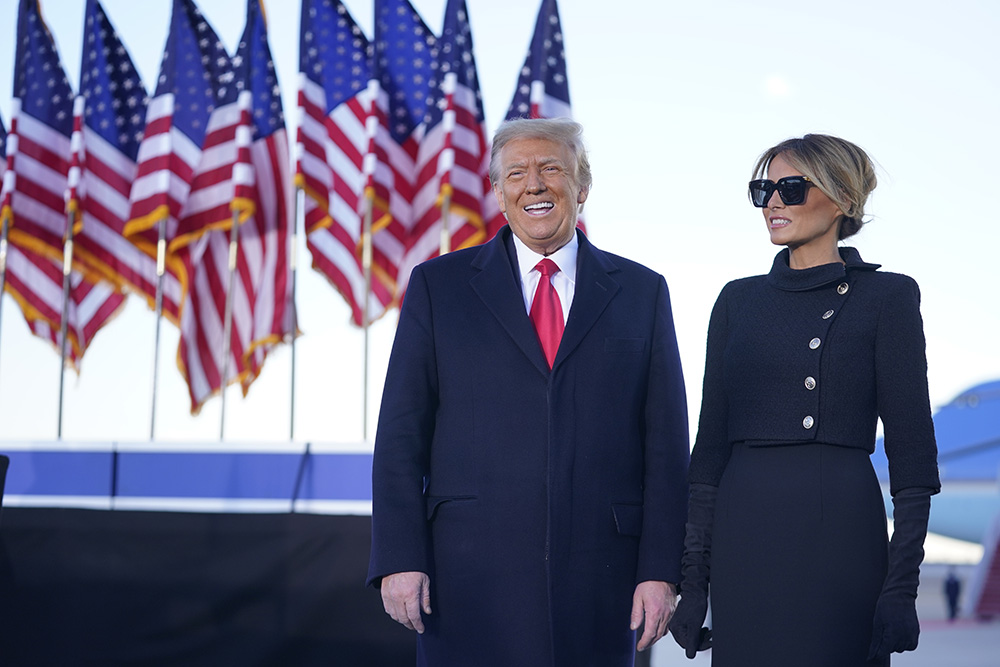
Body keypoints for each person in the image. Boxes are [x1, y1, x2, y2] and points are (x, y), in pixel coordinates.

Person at [367, 117, 691, 666]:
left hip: (600, 581)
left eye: (551, 169)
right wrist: (398, 556)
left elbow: (665, 445)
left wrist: (660, 569)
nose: (533, 185)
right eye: (516, 173)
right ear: (497, 192)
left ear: (582, 187)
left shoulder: (642, 292)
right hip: (465, 578)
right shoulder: (437, 286)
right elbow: (401, 433)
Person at [669, 134, 940, 666]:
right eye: (763, 189)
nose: (772, 201)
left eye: (790, 188)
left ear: (841, 198)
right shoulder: (736, 300)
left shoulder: (887, 297)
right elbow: (709, 450)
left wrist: (901, 586)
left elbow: (912, 455)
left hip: (838, 531)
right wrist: (694, 579)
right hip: (744, 533)